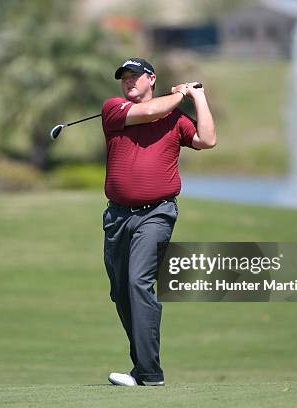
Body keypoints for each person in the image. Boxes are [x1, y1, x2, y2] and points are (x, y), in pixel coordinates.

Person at [101, 57, 216, 386]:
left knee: (138, 283)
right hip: (117, 217)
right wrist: (180, 95)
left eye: (134, 77)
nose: (128, 83)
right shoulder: (114, 109)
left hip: (156, 214)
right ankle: (141, 368)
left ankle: (150, 374)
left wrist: (198, 96)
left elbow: (207, 140)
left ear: (151, 79)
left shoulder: (176, 118)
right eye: (124, 78)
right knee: (122, 292)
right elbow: (152, 112)